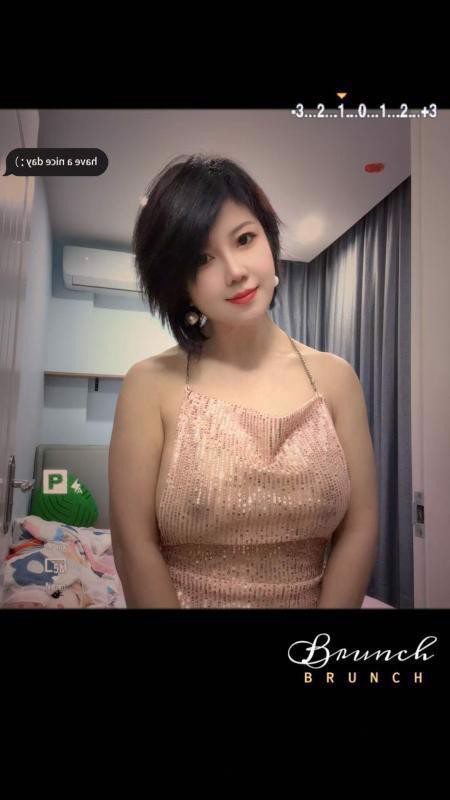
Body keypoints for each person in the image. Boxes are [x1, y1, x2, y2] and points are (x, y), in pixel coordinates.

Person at [108, 153, 379, 608]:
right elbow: (134, 548)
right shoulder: (148, 385)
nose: (235, 271)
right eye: (203, 258)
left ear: (269, 241)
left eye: (245, 239)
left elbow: (360, 527)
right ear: (179, 284)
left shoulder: (336, 379)